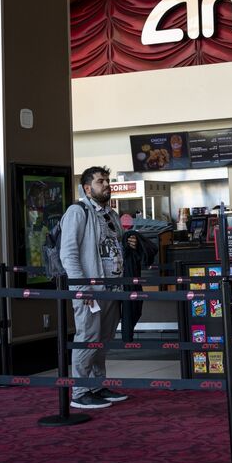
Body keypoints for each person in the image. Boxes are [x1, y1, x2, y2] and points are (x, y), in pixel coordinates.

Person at [60, 166, 127, 411]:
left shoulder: (111, 214)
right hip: (90, 290)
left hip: (112, 288)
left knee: (103, 339)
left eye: (107, 180)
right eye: (101, 181)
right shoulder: (77, 212)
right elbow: (68, 253)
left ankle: (97, 386)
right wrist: (82, 288)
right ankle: (80, 391)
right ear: (87, 188)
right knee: (88, 337)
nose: (107, 185)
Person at [120, 229, 154, 342]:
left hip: (126, 277)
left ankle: (126, 337)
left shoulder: (126, 237)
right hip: (116, 278)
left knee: (132, 309)